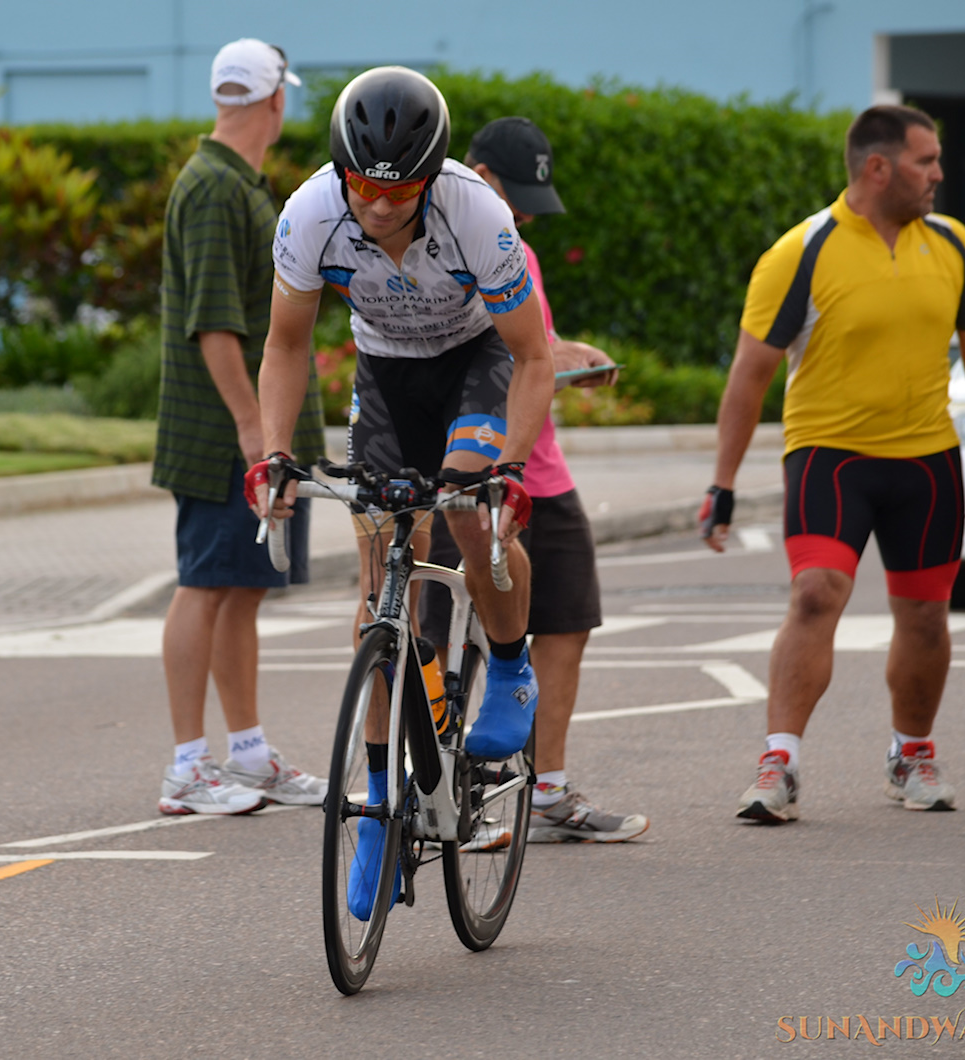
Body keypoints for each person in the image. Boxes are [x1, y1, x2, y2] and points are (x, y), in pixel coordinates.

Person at [252, 67, 554, 916]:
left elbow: (532, 356)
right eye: (364, 188)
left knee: (470, 515)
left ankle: (509, 665)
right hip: (384, 375)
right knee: (379, 582)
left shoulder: (478, 215)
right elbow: (285, 347)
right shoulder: (309, 215)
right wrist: (274, 454)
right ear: (340, 172)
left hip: (474, 365)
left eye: (400, 191)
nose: (380, 206)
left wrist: (509, 469)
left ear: (432, 178)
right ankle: (384, 808)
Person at [702, 104, 965, 824]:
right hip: (830, 456)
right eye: (925, 161)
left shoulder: (953, 245)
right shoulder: (802, 252)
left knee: (927, 617)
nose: (938, 174)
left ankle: (912, 753)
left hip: (927, 460)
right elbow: (750, 375)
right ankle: (779, 763)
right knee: (816, 594)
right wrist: (722, 482)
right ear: (878, 168)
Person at [427, 116, 648, 846]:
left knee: (565, 620)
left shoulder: (516, 249)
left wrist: (566, 353)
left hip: (538, 466)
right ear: (480, 175)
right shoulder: (453, 242)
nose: (521, 214)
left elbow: (528, 345)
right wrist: (557, 356)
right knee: (453, 632)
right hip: (474, 464)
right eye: (513, 196)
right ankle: (454, 792)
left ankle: (544, 788)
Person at [152, 38, 328, 816]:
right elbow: (214, 325)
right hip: (226, 436)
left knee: (241, 589)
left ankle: (248, 753)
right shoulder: (215, 188)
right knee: (205, 584)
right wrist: (256, 434)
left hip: (243, 431)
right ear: (275, 101)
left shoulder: (231, 183)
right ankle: (188, 767)